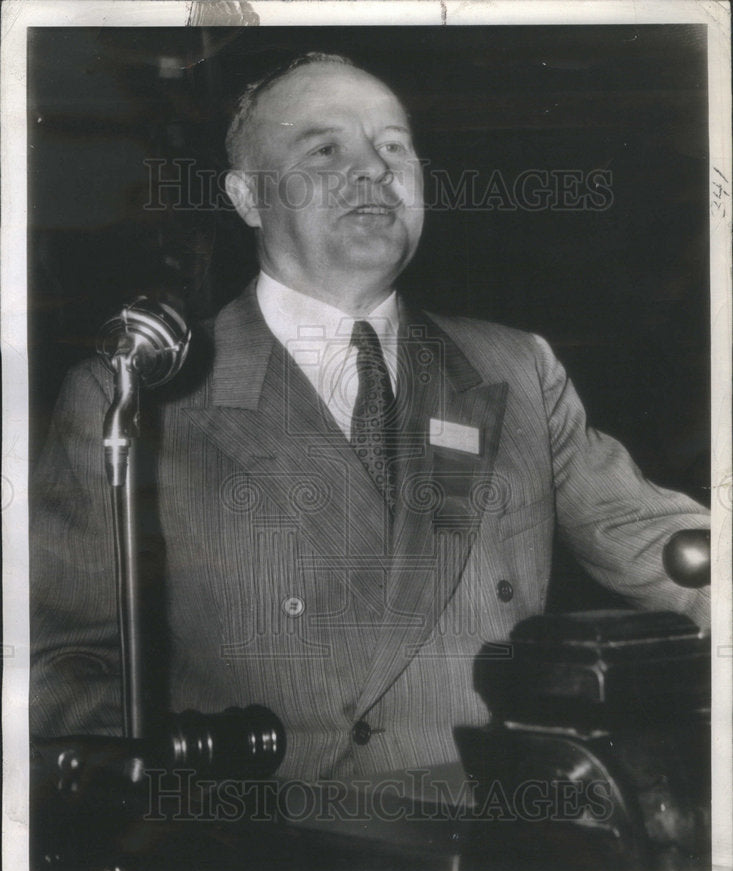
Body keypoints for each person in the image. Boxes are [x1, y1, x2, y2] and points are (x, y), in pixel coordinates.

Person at [30, 52, 710, 782]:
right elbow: (61, 666)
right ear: (247, 197)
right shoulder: (138, 393)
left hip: (496, 839)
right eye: (325, 149)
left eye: (393, 145)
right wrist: (172, 803)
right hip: (273, 853)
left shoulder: (514, 368)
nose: (375, 170)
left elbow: (672, 550)